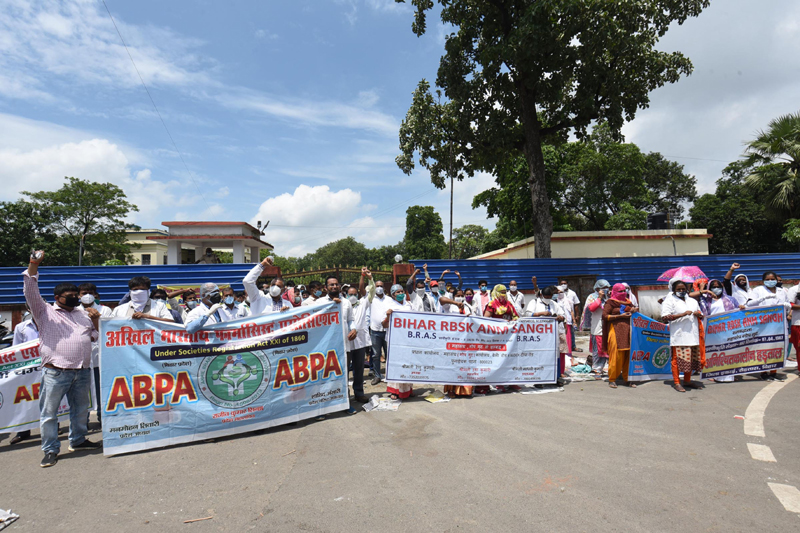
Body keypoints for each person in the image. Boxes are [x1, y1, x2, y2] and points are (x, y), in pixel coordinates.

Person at [24, 250, 101, 467]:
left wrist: (96, 321)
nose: (75, 298)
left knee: (81, 410)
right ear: (57, 297)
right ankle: (50, 450)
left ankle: (78, 440)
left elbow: (94, 337)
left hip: (82, 370)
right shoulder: (44, 311)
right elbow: (31, 290)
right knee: (49, 413)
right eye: (69, 295)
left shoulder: (83, 314)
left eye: (76, 295)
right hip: (56, 371)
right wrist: (33, 264)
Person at [78, 283, 113, 427]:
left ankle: (102, 418)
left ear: (95, 294)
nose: (87, 295)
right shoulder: (74, 311)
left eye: (90, 292)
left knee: (101, 391)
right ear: (79, 295)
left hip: (100, 358)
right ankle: (82, 421)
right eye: (83, 292)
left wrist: (98, 320)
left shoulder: (104, 310)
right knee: (82, 394)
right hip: (81, 360)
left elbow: (110, 330)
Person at [661, 278, 705, 393]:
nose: (681, 291)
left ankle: (687, 380)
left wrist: (698, 314)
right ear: (674, 290)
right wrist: (682, 314)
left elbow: (702, 314)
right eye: (678, 289)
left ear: (687, 290)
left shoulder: (692, 301)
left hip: (692, 334)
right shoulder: (669, 301)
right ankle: (676, 382)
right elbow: (665, 317)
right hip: (679, 335)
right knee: (676, 360)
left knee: (690, 360)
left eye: (683, 289)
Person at [746, 271, 790, 381]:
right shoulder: (758, 290)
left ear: (776, 279)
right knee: (764, 346)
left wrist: (786, 305)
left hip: (778, 324)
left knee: (777, 346)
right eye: (768, 279)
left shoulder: (782, 291)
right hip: (763, 324)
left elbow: (788, 304)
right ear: (763, 280)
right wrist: (762, 299)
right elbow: (749, 304)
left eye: (772, 279)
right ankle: (763, 371)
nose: (770, 281)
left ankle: (774, 371)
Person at [9, 309, 40, 445]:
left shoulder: (51, 324)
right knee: (25, 400)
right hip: (28, 369)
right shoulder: (21, 327)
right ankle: (23, 432)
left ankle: (54, 427)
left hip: (47, 365)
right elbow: (17, 348)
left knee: (50, 398)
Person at [698, 279, 739, 383]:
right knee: (714, 352)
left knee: (728, 351)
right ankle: (712, 373)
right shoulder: (705, 300)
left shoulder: (730, 299)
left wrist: (742, 308)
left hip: (728, 329)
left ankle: (729, 375)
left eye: (718, 286)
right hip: (712, 331)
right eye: (713, 287)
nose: (716, 289)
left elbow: (737, 312)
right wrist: (703, 291)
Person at [525, 286, 567, 379]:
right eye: (546, 297)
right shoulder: (534, 302)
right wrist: (540, 313)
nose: (548, 299)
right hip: (538, 334)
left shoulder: (553, 304)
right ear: (541, 295)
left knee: (554, 355)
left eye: (549, 297)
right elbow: (527, 314)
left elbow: (562, 314)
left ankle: (556, 377)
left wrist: (560, 317)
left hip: (552, 335)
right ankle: (539, 378)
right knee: (539, 356)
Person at [344, 269, 374, 403]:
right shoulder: (342, 305)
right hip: (346, 342)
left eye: (354, 294)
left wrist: (366, 277)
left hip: (360, 342)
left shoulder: (362, 303)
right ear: (346, 295)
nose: (352, 296)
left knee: (359, 369)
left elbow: (369, 291)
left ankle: (359, 393)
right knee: (345, 370)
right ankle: (345, 395)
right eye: (350, 294)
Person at [602, 283, 638, 389]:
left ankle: (628, 378)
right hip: (615, 330)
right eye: (620, 291)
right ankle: (612, 379)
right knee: (616, 355)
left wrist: (634, 311)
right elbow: (604, 316)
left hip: (628, 331)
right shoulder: (610, 302)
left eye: (624, 291)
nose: (623, 293)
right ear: (614, 291)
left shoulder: (629, 302)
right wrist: (619, 316)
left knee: (628, 355)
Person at [383, 284, 413, 400]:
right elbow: (384, 324)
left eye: (402, 291)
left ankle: (408, 389)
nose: (400, 294)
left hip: (407, 340)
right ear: (393, 295)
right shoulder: (390, 306)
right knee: (395, 365)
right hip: (394, 340)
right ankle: (394, 391)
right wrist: (387, 316)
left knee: (407, 364)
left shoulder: (409, 305)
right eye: (397, 292)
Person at [582, 279, 611, 376]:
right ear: (598, 288)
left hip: (608, 328)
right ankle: (597, 368)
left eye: (607, 288)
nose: (606, 290)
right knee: (598, 349)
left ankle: (610, 368)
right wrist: (599, 297)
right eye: (604, 288)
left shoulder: (608, 298)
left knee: (609, 349)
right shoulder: (592, 297)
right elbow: (591, 308)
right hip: (597, 327)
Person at [367, 276, 390, 386]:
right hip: (375, 331)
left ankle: (389, 375)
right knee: (375, 355)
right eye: (377, 286)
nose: (379, 288)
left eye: (381, 286)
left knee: (388, 354)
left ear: (384, 288)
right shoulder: (371, 299)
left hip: (387, 330)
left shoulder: (389, 300)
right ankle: (377, 376)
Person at [558, 279, 582, 352]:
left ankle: (572, 346)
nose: (563, 285)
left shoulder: (572, 293)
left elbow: (575, 305)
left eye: (565, 283)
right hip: (561, 319)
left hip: (569, 318)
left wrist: (576, 316)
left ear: (567, 284)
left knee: (571, 333)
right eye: (561, 284)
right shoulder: (557, 296)